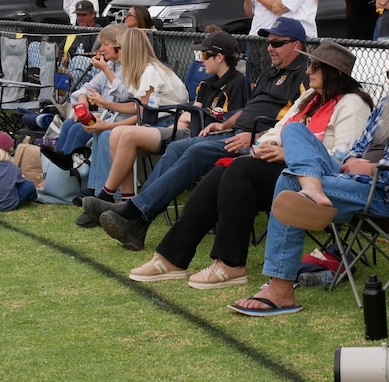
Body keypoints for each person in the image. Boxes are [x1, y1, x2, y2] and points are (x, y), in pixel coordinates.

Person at [128, 41, 373, 289]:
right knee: (221, 171)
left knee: (238, 170)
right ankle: (171, 258)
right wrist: (263, 148)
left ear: (336, 74)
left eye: (315, 67)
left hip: (318, 182)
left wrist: (288, 154)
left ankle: (230, 264)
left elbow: (343, 160)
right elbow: (277, 130)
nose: (308, 71)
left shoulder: (353, 103)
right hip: (284, 171)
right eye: (309, 64)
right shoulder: (311, 98)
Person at [229, 43, 389, 316]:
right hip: (352, 176)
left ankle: (281, 288)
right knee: (296, 130)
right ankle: (312, 188)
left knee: (289, 181)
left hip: (386, 191)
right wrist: (349, 163)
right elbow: (359, 146)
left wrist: (371, 168)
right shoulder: (387, 103)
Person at [82, 16, 309, 251]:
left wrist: (258, 136)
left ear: (297, 45)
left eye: (277, 43)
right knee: (178, 147)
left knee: (196, 149)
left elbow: (299, 122)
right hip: (235, 133)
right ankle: (137, 215)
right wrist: (223, 125)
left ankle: (133, 213)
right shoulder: (270, 73)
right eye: (269, 43)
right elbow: (247, 109)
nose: (270, 48)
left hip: (260, 142)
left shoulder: (303, 75)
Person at [99, 30, 247, 202]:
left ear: (220, 57)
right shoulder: (206, 84)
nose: (201, 59)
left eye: (205, 54)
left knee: (127, 134)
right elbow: (189, 115)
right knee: (118, 133)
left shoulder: (237, 83)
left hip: (205, 135)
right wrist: (173, 128)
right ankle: (125, 198)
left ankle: (109, 195)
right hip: (185, 129)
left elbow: (232, 121)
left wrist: (192, 118)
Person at [83, 26, 188, 203]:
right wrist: (107, 104)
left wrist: (108, 124)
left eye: (120, 48)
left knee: (112, 134)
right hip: (156, 118)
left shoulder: (150, 72)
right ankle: (120, 198)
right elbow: (138, 107)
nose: (118, 52)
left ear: (130, 49)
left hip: (169, 123)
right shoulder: (143, 70)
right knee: (110, 134)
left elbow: (143, 113)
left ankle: (108, 196)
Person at [43, 24, 134, 163]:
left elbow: (125, 94)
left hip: (122, 120)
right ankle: (54, 169)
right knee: (68, 124)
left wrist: (106, 71)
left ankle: (67, 173)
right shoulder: (111, 65)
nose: (101, 49)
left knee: (77, 130)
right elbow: (86, 88)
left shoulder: (131, 67)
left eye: (105, 44)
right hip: (105, 116)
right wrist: (82, 99)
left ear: (118, 45)